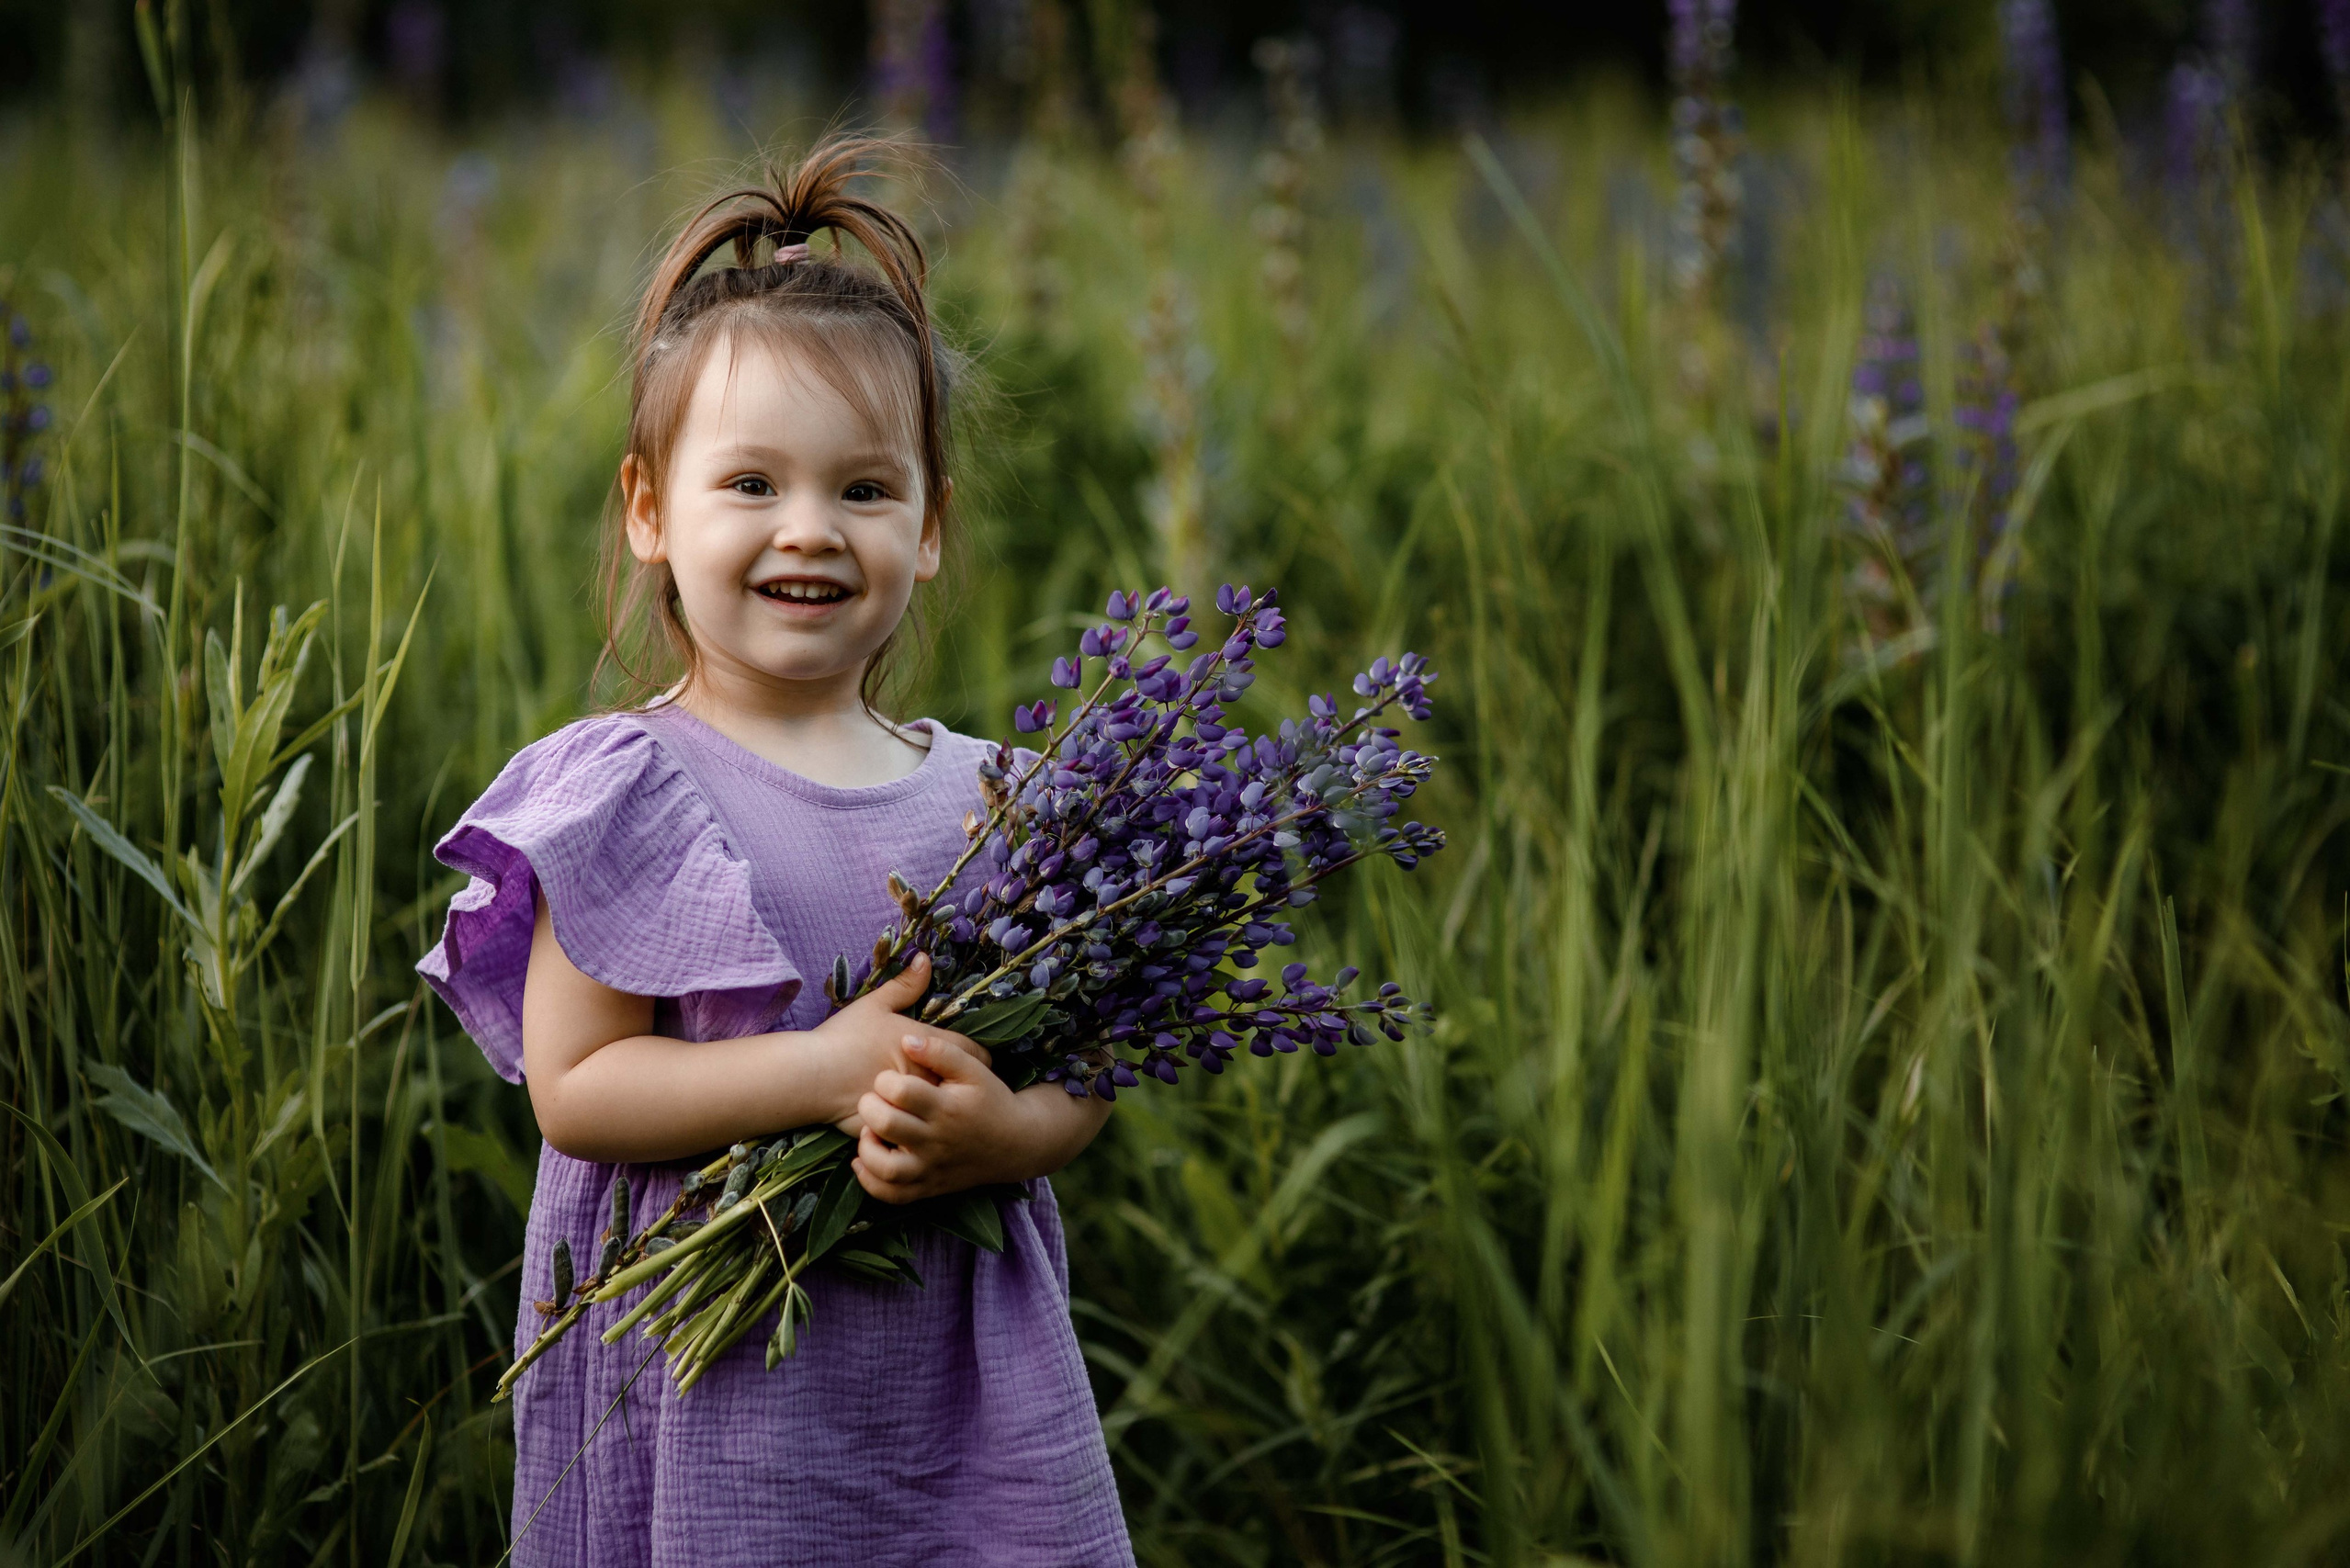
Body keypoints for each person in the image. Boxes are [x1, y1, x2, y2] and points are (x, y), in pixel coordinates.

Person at [417, 136, 1133, 1566]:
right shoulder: (630, 789)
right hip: (720, 1401)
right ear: (647, 514)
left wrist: (1009, 1134)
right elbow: (579, 1084)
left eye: (864, 492)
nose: (808, 529)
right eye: (750, 484)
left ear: (928, 530)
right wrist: (819, 1072)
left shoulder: (1007, 801)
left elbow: (1086, 1064)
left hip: (960, 1402)